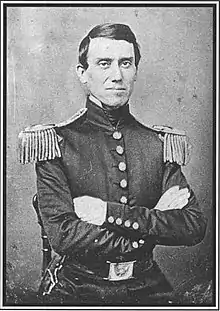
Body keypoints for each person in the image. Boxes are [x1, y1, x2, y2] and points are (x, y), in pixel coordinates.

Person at [18, 23, 207, 306]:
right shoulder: (55, 142)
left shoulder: (159, 143)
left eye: (126, 63)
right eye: (104, 63)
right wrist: (150, 225)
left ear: (135, 71)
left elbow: (193, 226)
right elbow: (64, 236)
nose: (116, 75)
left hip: (149, 287)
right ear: (83, 73)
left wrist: (106, 212)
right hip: (78, 289)